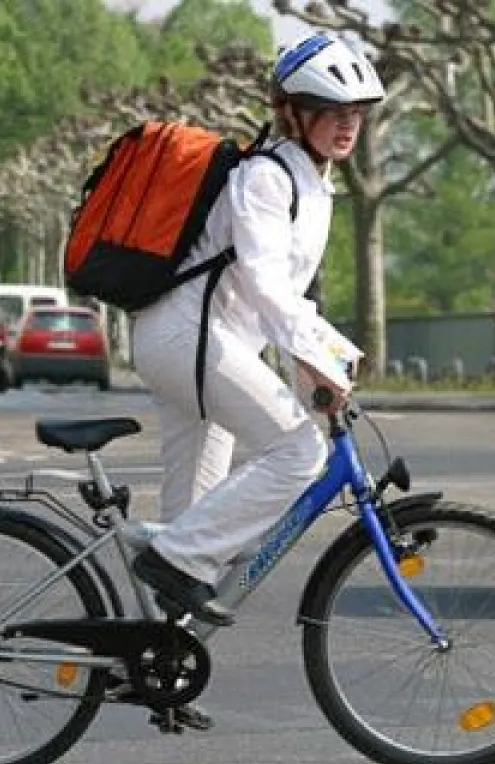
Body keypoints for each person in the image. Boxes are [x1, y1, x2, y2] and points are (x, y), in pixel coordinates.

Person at [128, 32, 386, 628]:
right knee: (298, 452)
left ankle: (160, 664)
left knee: (194, 522)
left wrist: (323, 359)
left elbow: (279, 301)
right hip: (186, 340)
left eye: (356, 113)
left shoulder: (312, 183)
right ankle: (171, 561)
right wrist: (323, 355)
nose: (347, 125)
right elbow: (267, 284)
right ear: (293, 113)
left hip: (206, 345)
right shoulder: (266, 177)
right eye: (330, 111)